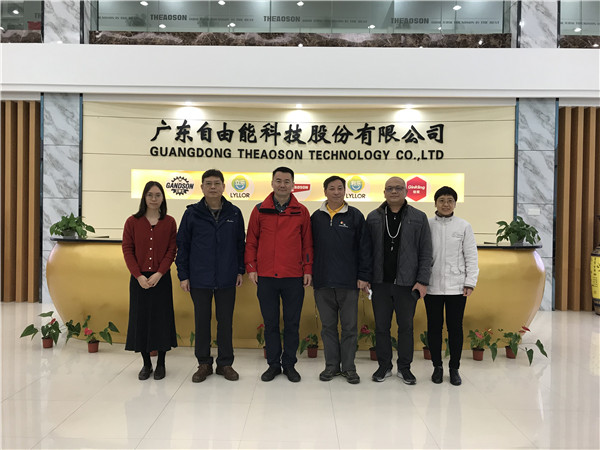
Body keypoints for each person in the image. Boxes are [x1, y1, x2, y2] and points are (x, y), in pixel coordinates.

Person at [176, 169, 246, 383]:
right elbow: (183, 246)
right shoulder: (191, 214)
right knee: (202, 321)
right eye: (208, 183)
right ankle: (204, 363)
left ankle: (225, 364)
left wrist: (240, 270)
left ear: (223, 186)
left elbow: (240, 245)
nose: (213, 187)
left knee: (225, 322)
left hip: (227, 277)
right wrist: (183, 275)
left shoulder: (234, 213)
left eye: (217, 183)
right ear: (202, 187)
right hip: (199, 278)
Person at [245, 166, 313, 383]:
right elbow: (251, 241)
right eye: (278, 181)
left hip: (293, 276)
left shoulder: (301, 211)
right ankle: (273, 365)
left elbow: (307, 244)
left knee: (292, 324)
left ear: (293, 185)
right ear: (272, 183)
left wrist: (308, 269)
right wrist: (251, 268)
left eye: (286, 181)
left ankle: (290, 365)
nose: (282, 185)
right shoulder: (259, 210)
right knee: (271, 323)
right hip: (266, 277)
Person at [366, 176, 432, 384]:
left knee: (405, 328)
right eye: (389, 188)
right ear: (384, 192)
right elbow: (366, 251)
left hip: (407, 284)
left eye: (398, 188)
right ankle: (384, 366)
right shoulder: (373, 217)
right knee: (381, 327)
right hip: (380, 283)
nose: (394, 191)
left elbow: (426, 251)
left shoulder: (419, 217)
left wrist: (422, 280)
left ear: (406, 191)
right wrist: (366, 278)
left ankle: (405, 368)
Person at [311, 175, 371, 384]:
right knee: (327, 327)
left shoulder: (355, 216)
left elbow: (364, 248)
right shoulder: (316, 217)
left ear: (345, 191)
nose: (336, 192)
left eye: (340, 188)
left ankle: (349, 368)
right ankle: (331, 367)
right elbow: (309, 248)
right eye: (332, 188)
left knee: (349, 328)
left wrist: (363, 276)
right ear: (325, 191)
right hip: (323, 282)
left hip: (349, 283)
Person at [122, 181, 178, 381]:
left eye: (158, 195)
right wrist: (138, 276)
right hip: (139, 280)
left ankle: (161, 363)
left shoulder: (169, 222)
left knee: (162, 320)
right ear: (144, 197)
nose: (154, 199)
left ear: (163, 198)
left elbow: (172, 250)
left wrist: (160, 273)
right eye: (150, 195)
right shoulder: (132, 222)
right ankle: (146, 364)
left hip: (161, 279)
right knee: (141, 320)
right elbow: (127, 250)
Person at [425, 186, 479, 386]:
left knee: (455, 328)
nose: (446, 204)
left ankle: (454, 368)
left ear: (455, 203)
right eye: (442, 200)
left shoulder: (464, 226)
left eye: (450, 200)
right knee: (434, 328)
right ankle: (437, 367)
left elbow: (471, 256)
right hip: (432, 287)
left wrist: (470, 282)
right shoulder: (427, 225)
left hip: (457, 287)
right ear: (435, 203)